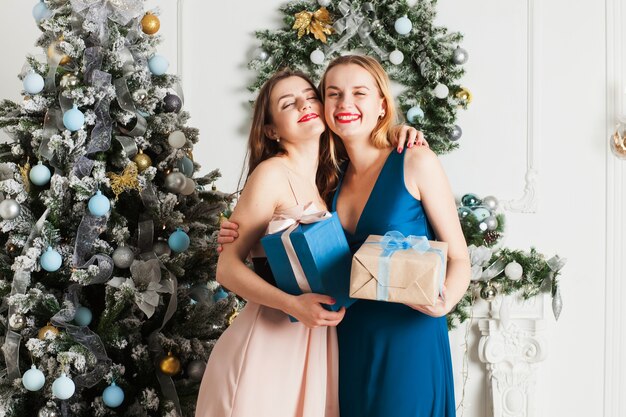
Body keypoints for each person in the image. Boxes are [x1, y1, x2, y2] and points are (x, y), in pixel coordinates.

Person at [218, 55, 471, 417]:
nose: (345, 104)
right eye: (333, 94)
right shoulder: (330, 180)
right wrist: (239, 234)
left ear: (382, 103)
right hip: (344, 341)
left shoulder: (415, 160)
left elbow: (460, 258)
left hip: (407, 337)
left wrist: (445, 303)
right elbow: (279, 229)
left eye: (360, 93)